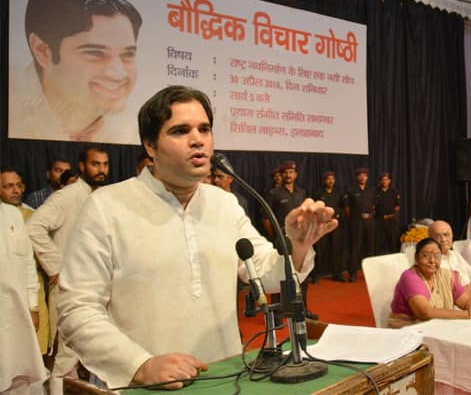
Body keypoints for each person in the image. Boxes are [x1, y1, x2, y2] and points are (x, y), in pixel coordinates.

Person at [57, 85, 336, 389]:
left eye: (204, 129)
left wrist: (298, 245)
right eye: (180, 131)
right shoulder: (106, 207)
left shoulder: (224, 203)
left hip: (228, 378)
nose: (197, 139)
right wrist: (139, 364)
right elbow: (77, 311)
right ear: (150, 146)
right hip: (145, 386)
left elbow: (266, 275)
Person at [9, 0, 142, 142]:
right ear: (42, 51)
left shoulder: (131, 129)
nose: (118, 73)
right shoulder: (11, 106)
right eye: (95, 53)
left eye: (127, 54)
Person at [26, 145, 110, 381]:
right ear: (82, 166)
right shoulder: (67, 196)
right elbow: (33, 227)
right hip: (70, 286)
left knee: (96, 354)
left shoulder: (105, 196)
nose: (101, 170)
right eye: (95, 164)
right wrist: (56, 267)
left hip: (99, 284)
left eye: (105, 164)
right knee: (65, 357)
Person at [388, 238, 471, 328]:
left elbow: (465, 300)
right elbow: (425, 313)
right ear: (416, 258)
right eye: (426, 255)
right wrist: (469, 315)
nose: (432, 260)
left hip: (436, 328)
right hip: (408, 331)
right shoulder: (410, 277)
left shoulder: (446, 276)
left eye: (437, 256)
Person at [0, 168, 51, 357]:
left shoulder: (29, 215)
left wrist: (33, 306)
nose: (15, 190)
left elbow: (29, 260)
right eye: (8, 186)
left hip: (29, 291)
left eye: (18, 185)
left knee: (32, 353)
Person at [1, 203, 47, 395]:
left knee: (21, 373)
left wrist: (33, 306)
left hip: (18, 312)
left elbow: (28, 261)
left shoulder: (13, 214)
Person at [263, 160, 318, 319]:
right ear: (281, 175)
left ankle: (302, 310)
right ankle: (276, 313)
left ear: (296, 174)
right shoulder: (274, 193)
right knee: (279, 274)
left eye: (291, 172)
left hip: (300, 239)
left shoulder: (301, 193)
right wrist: (276, 236)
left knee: (302, 275)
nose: (288, 175)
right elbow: (266, 218)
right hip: (282, 239)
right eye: (285, 172)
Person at [428, 220, 471, 295]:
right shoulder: (430, 262)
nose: (443, 239)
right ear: (430, 239)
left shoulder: (455, 254)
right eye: (437, 236)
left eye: (446, 235)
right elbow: (447, 294)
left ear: (452, 236)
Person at [312, 171, 346, 282]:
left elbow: (343, 208)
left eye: (332, 179)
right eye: (328, 179)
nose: (330, 181)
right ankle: (316, 275)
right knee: (320, 250)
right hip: (322, 225)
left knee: (336, 249)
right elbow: (314, 209)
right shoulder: (318, 193)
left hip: (334, 225)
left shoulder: (338, 193)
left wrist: (336, 215)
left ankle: (337, 274)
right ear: (324, 180)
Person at [344, 168, 376, 282]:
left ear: (367, 177)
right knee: (355, 248)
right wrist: (356, 218)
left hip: (369, 221)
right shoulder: (351, 190)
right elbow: (347, 209)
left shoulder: (371, 190)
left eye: (364, 175)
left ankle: (370, 273)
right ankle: (353, 274)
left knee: (370, 247)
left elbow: (374, 206)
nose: (362, 177)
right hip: (357, 222)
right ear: (357, 177)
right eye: (360, 175)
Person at [375, 172, 400, 254]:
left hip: (391, 220)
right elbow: (373, 206)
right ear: (380, 181)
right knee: (378, 242)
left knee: (392, 241)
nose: (384, 181)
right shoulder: (375, 191)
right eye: (383, 180)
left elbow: (397, 206)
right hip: (379, 220)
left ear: (389, 181)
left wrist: (393, 216)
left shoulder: (394, 191)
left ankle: (394, 258)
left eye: (386, 180)